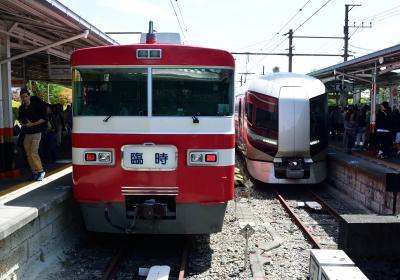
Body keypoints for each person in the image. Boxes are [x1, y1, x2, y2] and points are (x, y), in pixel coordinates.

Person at [18, 88, 46, 181]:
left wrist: (31, 124)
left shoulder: (36, 106)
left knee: (33, 153)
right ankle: (35, 172)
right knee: (28, 154)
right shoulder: (21, 108)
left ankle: (41, 171)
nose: (24, 98)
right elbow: (20, 119)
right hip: (27, 134)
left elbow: (43, 119)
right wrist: (23, 123)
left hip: (37, 132)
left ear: (29, 96)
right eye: (22, 97)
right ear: (21, 98)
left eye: (26, 96)